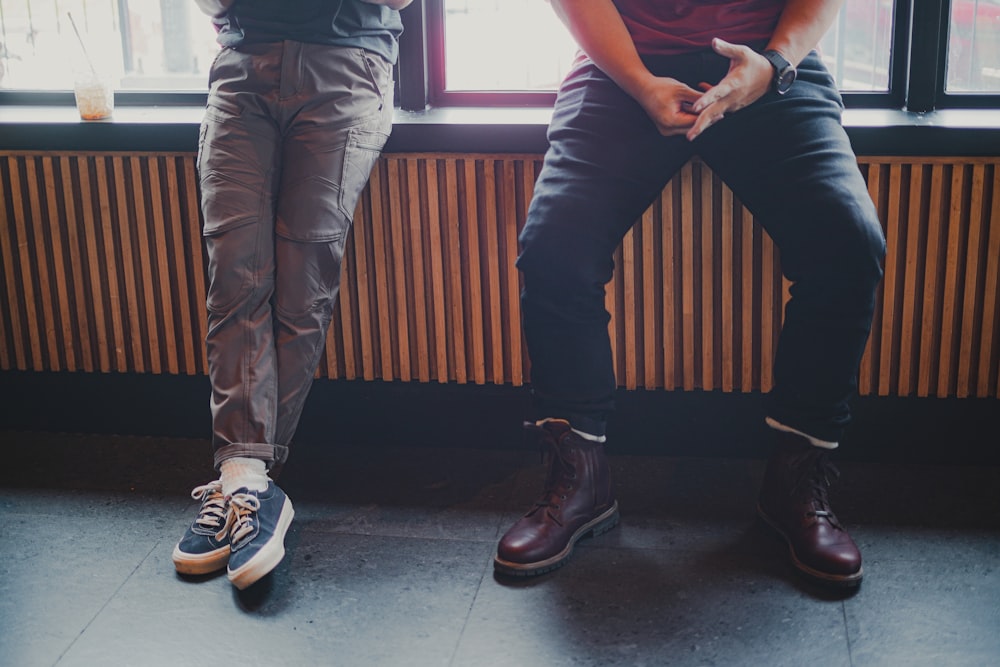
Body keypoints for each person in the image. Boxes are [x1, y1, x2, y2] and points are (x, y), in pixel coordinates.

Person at [494, 0, 885, 588]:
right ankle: (581, 479)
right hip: (623, 68)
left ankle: (794, 483)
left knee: (849, 244)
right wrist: (639, 81)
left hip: (764, 65)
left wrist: (775, 63)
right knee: (554, 248)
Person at [172, 0, 412, 590]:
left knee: (304, 281)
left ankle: (244, 477)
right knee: (236, 276)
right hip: (242, 70)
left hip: (348, 68)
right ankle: (248, 482)